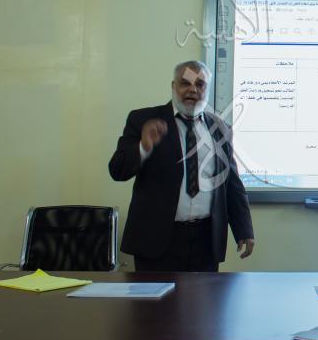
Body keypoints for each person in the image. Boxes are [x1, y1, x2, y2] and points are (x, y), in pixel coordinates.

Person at [109, 60, 255, 272]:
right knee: (156, 296)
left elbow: (231, 182)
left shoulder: (220, 128)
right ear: (173, 86)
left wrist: (244, 229)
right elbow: (117, 171)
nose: (192, 90)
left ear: (207, 89)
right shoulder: (143, 120)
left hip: (206, 241)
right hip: (156, 240)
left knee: (206, 296)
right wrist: (143, 147)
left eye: (200, 84)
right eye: (185, 83)